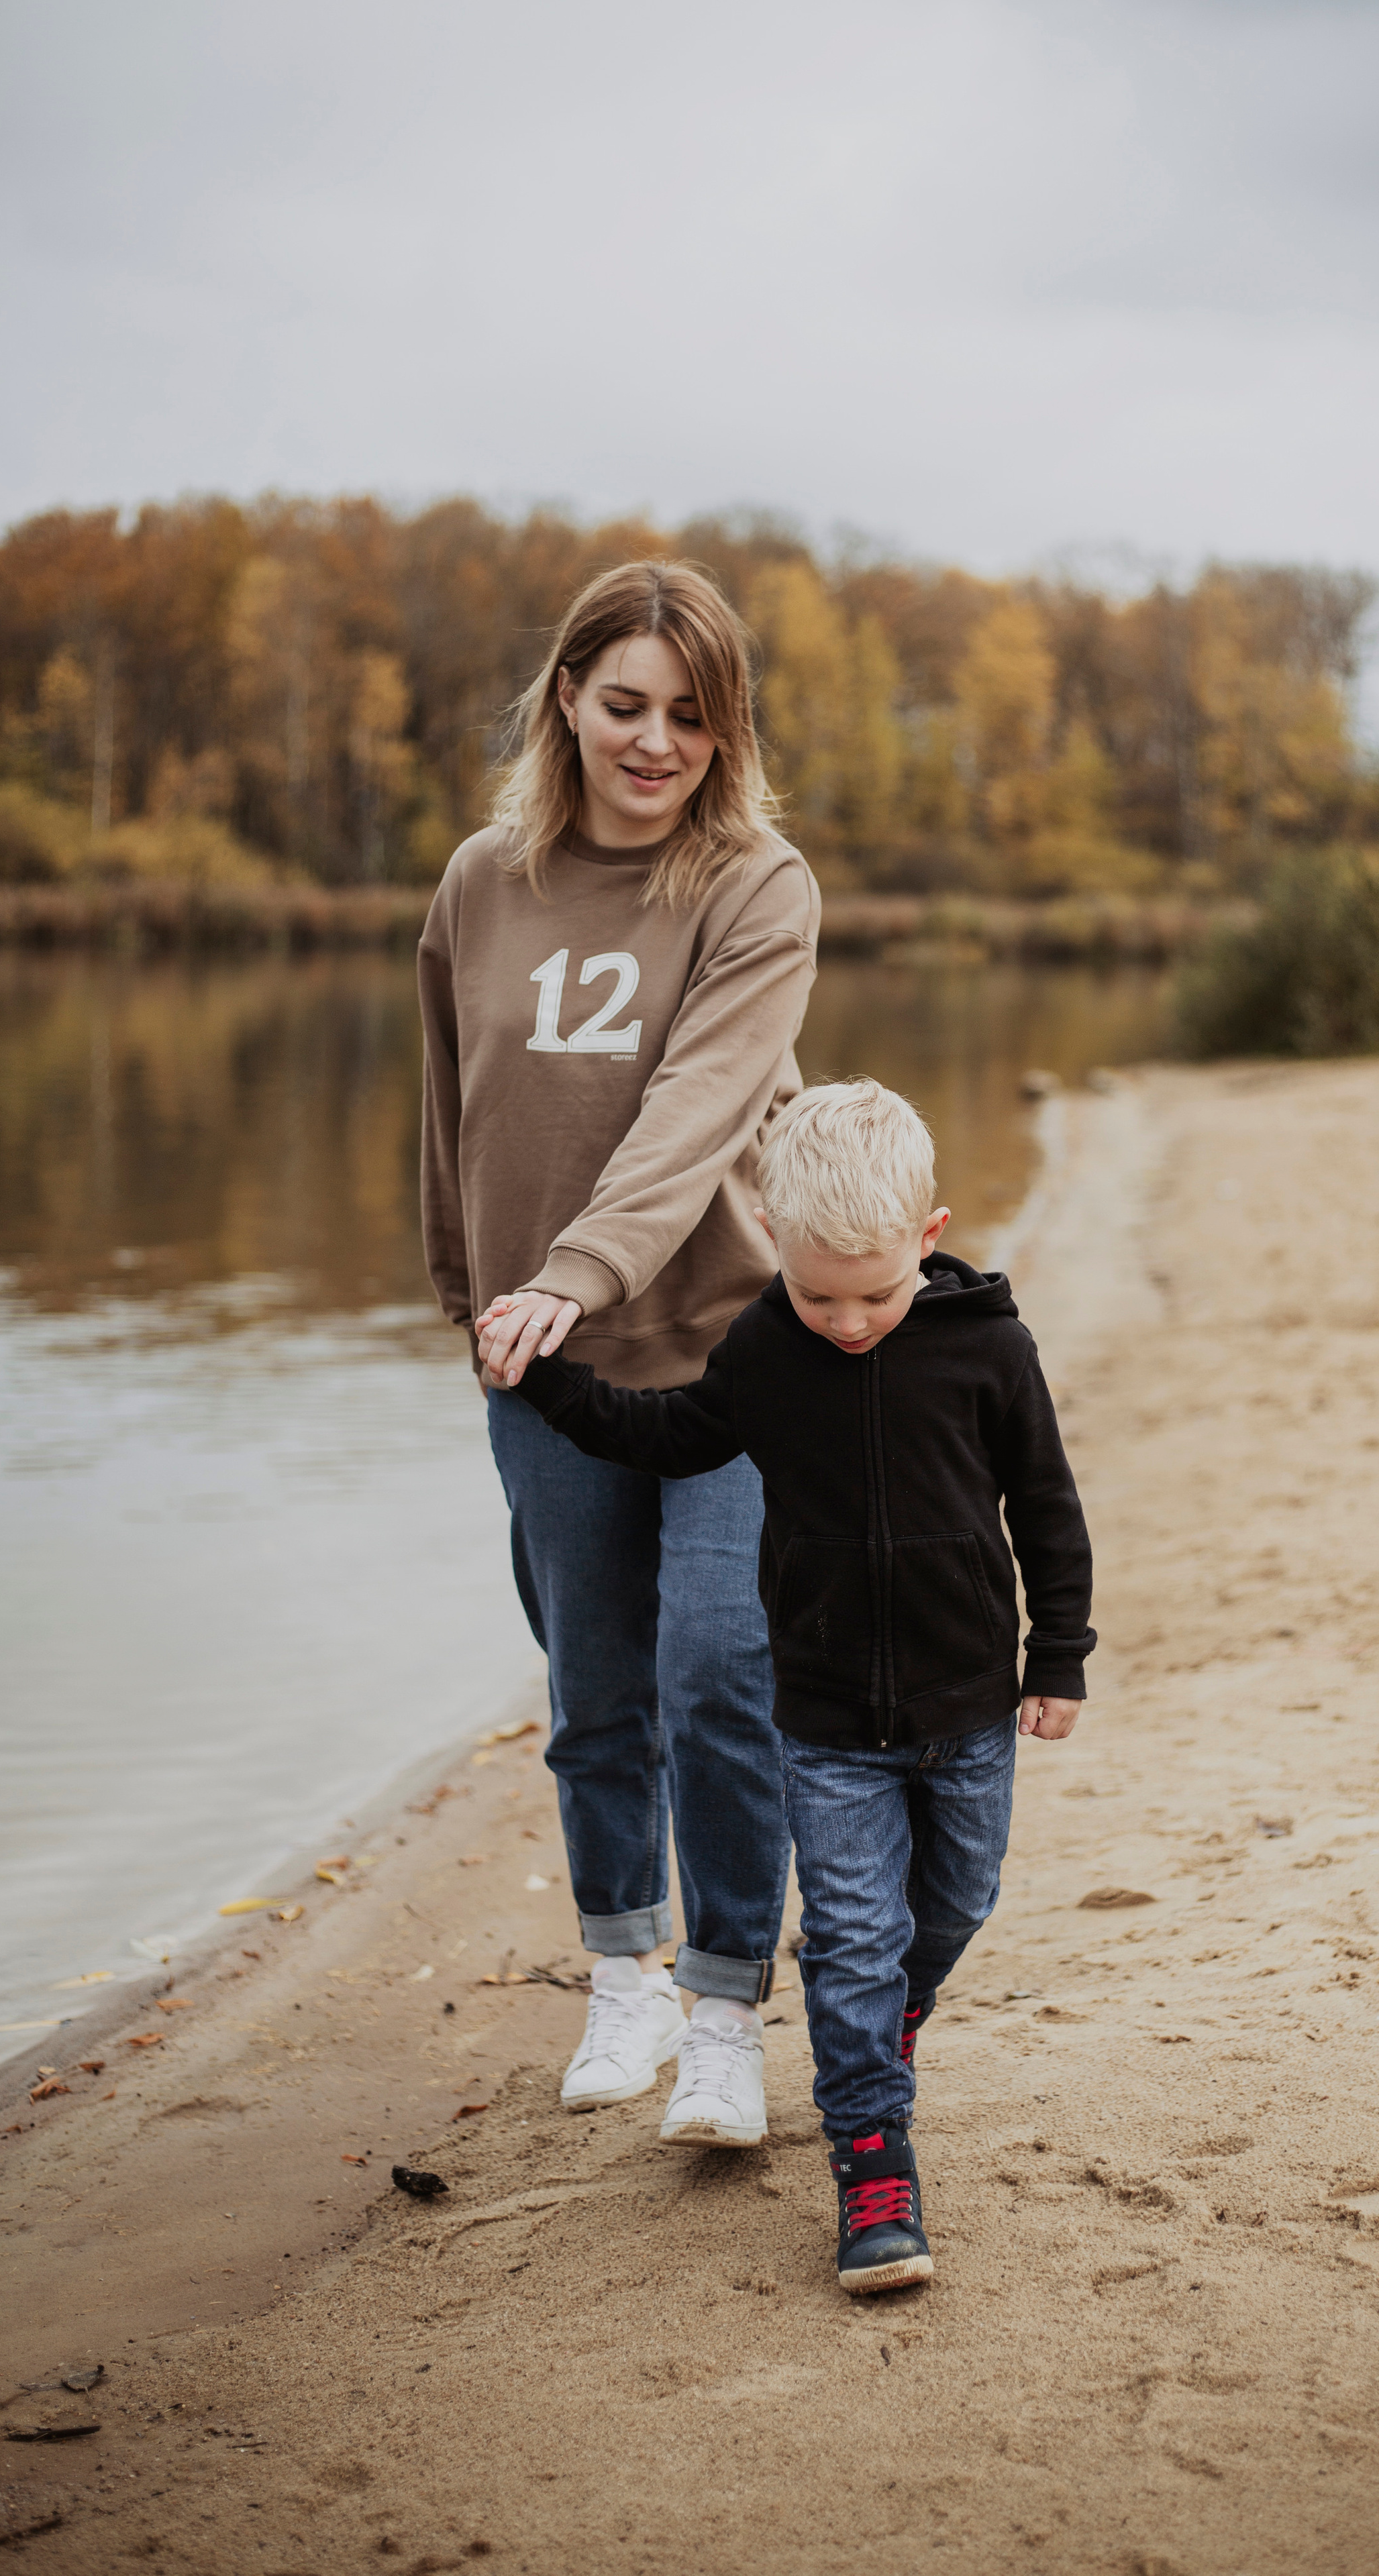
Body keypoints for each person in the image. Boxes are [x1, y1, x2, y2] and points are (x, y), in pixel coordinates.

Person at [503, 1080, 1095, 2294]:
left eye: (875, 1293)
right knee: (854, 1939)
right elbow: (670, 1438)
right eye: (819, 1293)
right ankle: (873, 2163)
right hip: (824, 1724)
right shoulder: (768, 1349)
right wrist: (545, 1381)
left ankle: (882, 2017)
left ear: (927, 1239)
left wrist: (1061, 1656)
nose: (848, 1321)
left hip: (971, 1708)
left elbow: (1046, 1505)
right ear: (773, 1242)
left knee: (954, 1908)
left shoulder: (990, 1348)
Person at [418, 559, 819, 2151]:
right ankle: (622, 1976)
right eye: (625, 706)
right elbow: (453, 1107)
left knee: (720, 1671)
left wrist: (572, 1275)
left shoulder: (755, 887)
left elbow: (695, 1115)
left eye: (691, 717)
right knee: (593, 1689)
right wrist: (471, 1293)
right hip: (540, 1360)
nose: (655, 744)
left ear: (726, 731)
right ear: (566, 699)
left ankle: (724, 2008)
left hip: (725, 1350)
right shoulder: (479, 882)